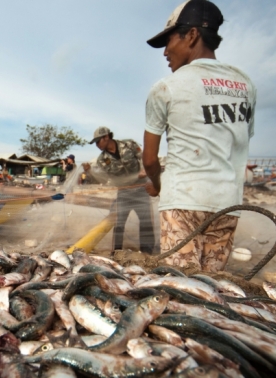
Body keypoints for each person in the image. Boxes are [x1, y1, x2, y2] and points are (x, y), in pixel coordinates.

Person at [142, 0, 257, 273]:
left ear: (191, 35)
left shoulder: (166, 87)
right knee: (211, 285)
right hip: (227, 204)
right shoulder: (245, 84)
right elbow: (238, 142)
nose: (165, 52)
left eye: (169, 41)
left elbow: (149, 160)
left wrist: (157, 184)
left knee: (183, 287)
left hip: (182, 201)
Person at [89, 126, 155, 254]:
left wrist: (144, 171)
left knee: (145, 221)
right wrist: (89, 171)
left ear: (106, 137)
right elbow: (106, 180)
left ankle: (147, 252)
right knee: (119, 223)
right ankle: (117, 251)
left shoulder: (129, 144)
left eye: (98, 141)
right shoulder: (102, 160)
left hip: (141, 189)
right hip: (124, 192)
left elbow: (143, 158)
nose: (97, 145)